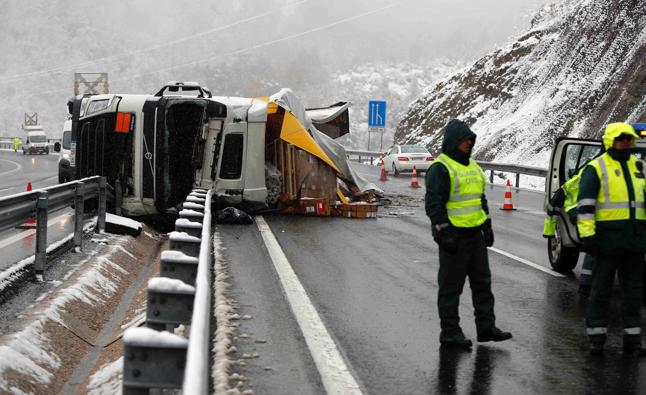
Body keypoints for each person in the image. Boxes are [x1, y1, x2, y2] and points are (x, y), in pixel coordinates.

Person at [425, 119, 512, 349]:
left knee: (483, 284)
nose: (468, 144)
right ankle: (450, 333)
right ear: (453, 142)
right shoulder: (440, 168)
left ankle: (486, 328)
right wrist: (444, 233)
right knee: (451, 288)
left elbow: (479, 198)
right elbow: (434, 204)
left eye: (470, 141)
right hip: (453, 237)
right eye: (464, 141)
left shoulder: (473, 166)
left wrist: (487, 224)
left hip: (475, 236)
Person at [577, 122, 646, 356]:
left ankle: (633, 342)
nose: (625, 142)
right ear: (610, 141)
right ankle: (597, 339)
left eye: (628, 138)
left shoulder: (639, 166)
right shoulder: (596, 167)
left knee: (634, 293)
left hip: (635, 242)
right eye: (620, 138)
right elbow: (585, 205)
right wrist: (588, 236)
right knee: (601, 291)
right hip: (606, 242)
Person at [543, 166, 596, 293]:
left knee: (593, 249)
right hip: (582, 214)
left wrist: (549, 233)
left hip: (579, 213)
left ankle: (586, 284)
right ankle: (586, 284)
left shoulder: (579, 178)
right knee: (594, 249)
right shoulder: (597, 171)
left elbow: (552, 209)